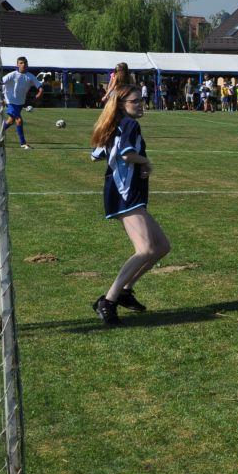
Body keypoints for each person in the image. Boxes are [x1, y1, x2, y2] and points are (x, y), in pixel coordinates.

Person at [89, 84, 171, 325]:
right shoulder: (130, 124)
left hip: (125, 193)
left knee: (161, 247)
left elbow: (95, 155)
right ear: (122, 105)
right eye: (135, 101)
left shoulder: (115, 124)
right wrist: (145, 162)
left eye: (141, 101)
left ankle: (125, 290)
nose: (140, 105)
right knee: (145, 249)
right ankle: (108, 300)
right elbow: (126, 154)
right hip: (124, 194)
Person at [1, 56, 44, 150]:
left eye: (25, 63)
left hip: (20, 102)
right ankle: (23, 143)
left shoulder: (30, 76)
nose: (23, 64)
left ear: (27, 64)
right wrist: (1, 97)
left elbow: (40, 87)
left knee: (11, 121)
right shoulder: (12, 75)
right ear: (17, 65)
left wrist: (39, 93)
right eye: (21, 63)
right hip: (10, 101)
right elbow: (0, 83)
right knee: (19, 120)